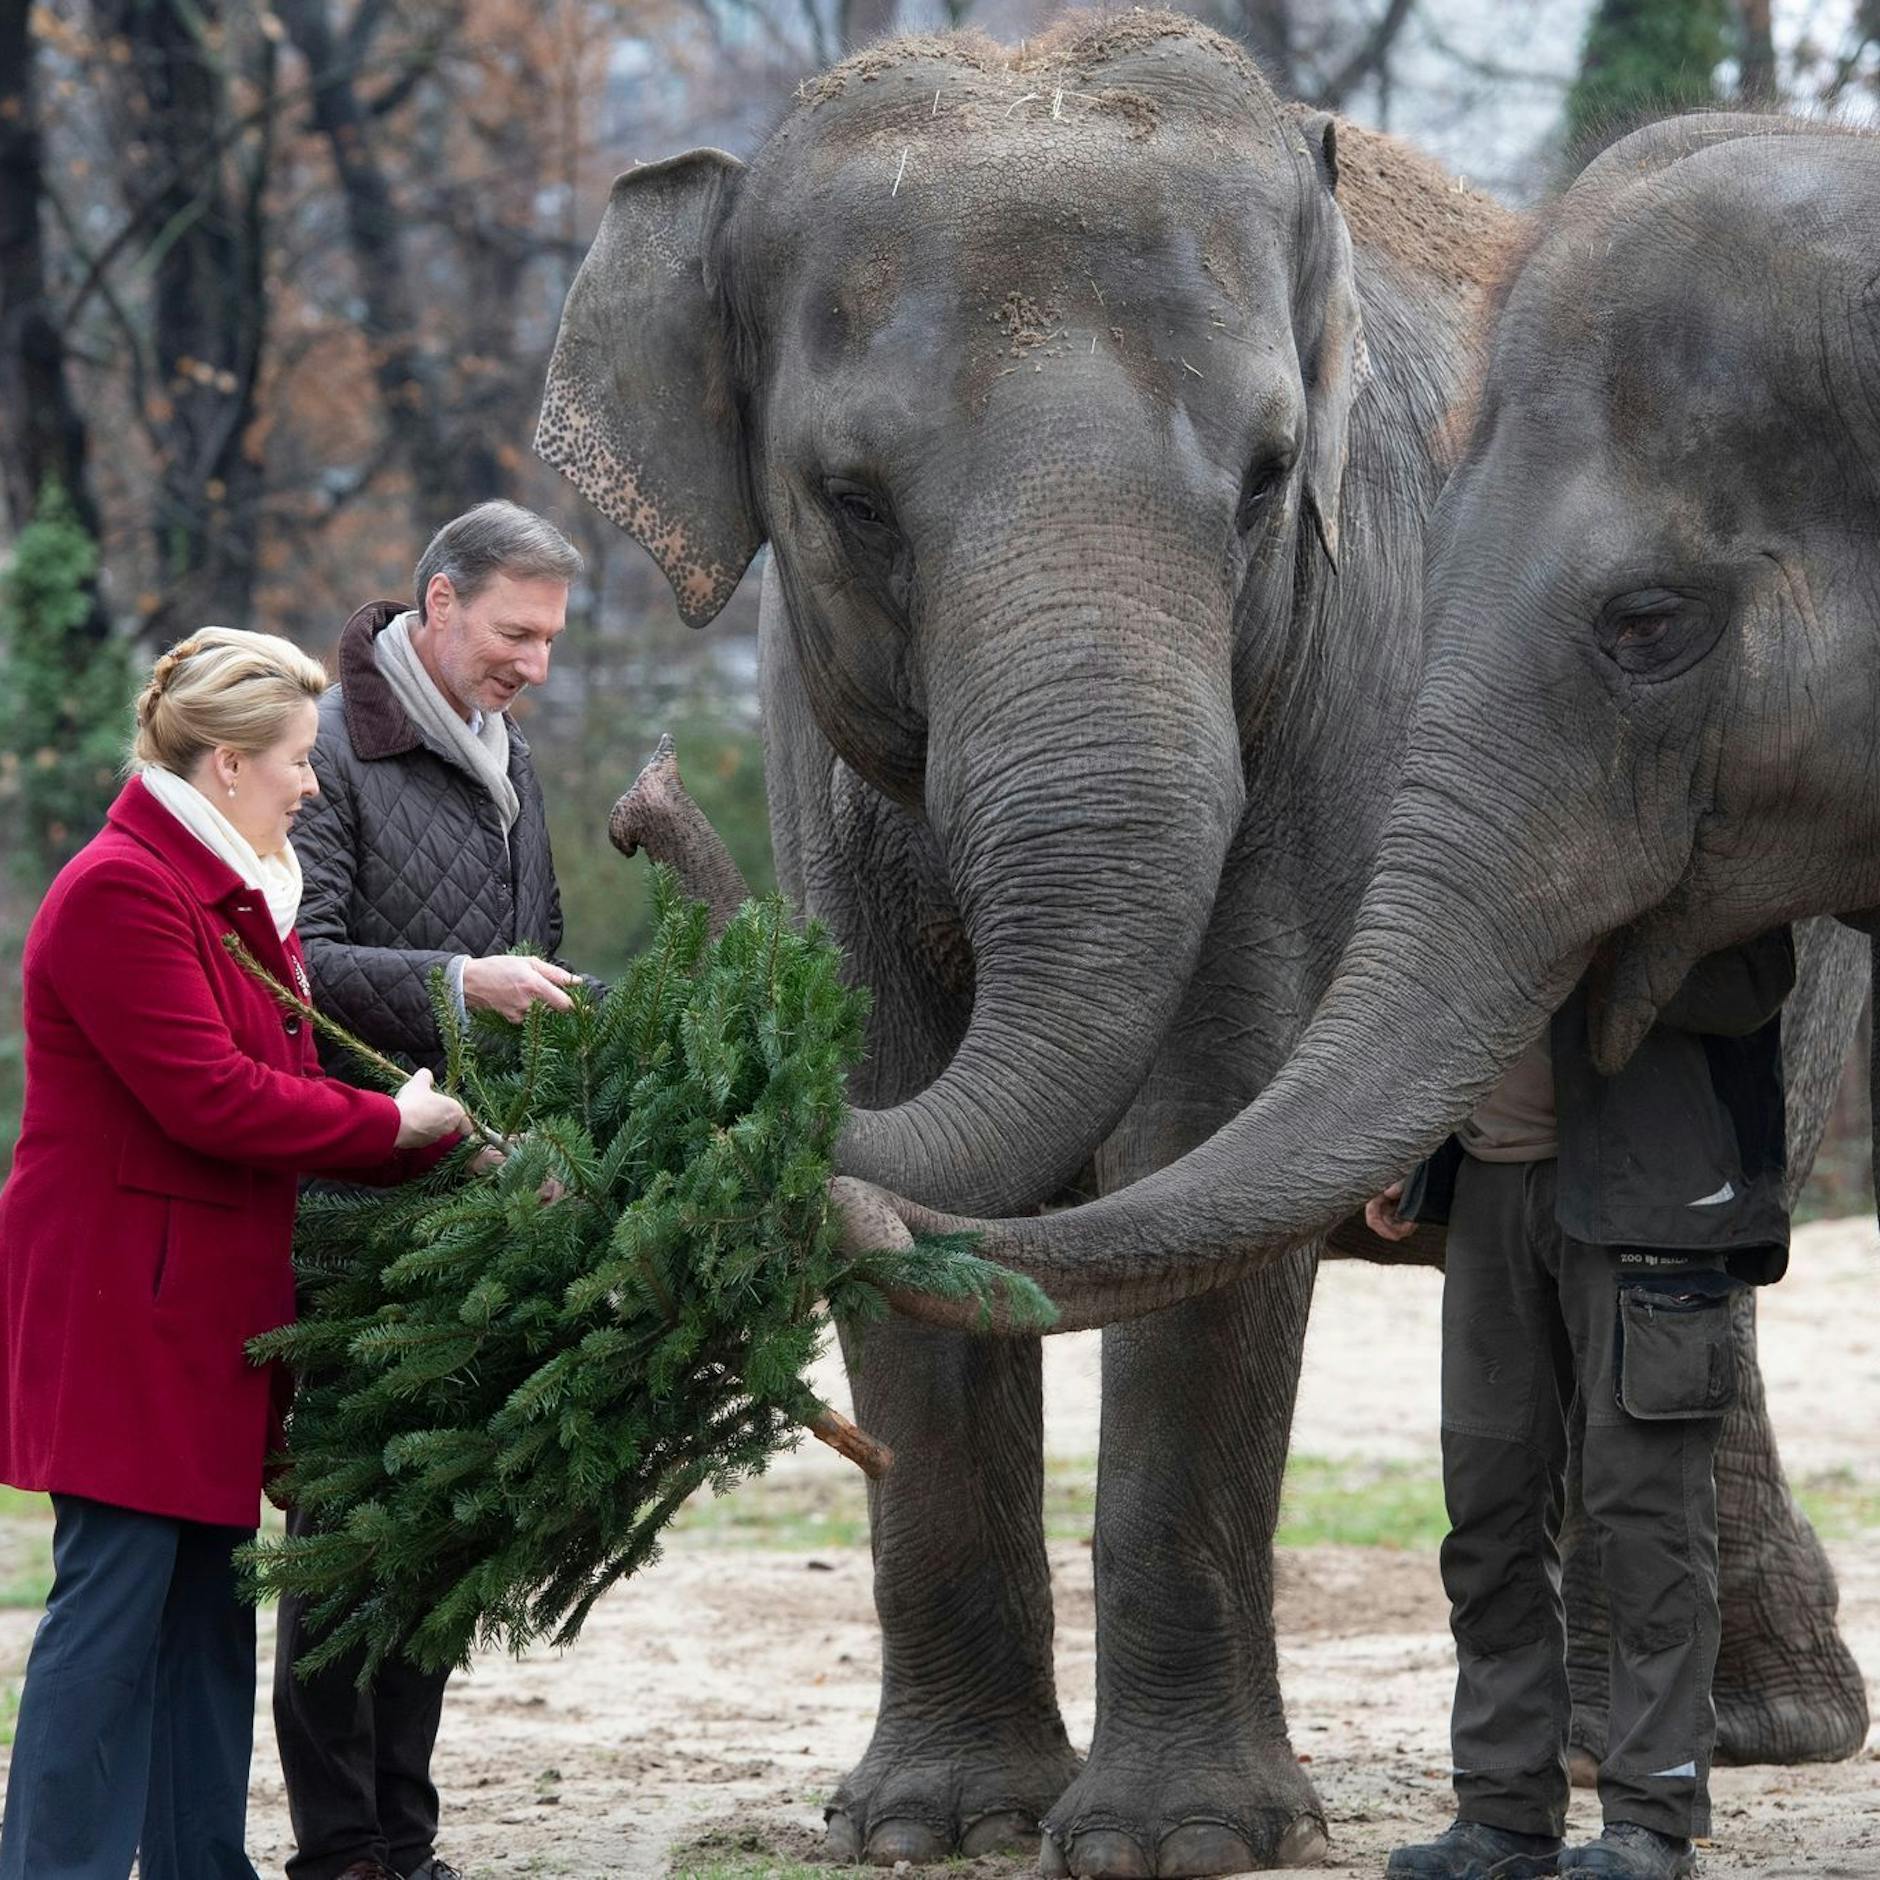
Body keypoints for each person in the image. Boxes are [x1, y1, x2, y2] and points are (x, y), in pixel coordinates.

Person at [0, 629, 468, 1880]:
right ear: (223, 764)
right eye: (298, 763)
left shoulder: (234, 889)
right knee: (111, 1614)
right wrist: (390, 1121)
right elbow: (212, 1096)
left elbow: (290, 1081)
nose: (312, 785)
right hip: (125, 1307)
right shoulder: (120, 892)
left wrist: (426, 1143)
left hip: (203, 1309)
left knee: (205, 1611)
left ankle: (204, 1862)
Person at [276, 500, 586, 1880]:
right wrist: (461, 988)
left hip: (478, 1194)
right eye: (516, 634)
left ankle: (407, 1836)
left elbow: (542, 952)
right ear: (441, 604)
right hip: (354, 1196)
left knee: (444, 1522)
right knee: (350, 1531)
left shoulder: (507, 751)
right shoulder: (327, 753)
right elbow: (297, 962)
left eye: (550, 639)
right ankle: (341, 1847)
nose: (535, 662)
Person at [1372, 935, 1797, 1880]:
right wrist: (1418, 1142)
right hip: (1490, 1190)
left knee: (1646, 1518)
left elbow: (1755, 981)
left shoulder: (1683, 826)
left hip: (1647, 1199)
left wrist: (1602, 931)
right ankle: (1503, 1811)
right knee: (1487, 1514)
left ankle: (1652, 1816)